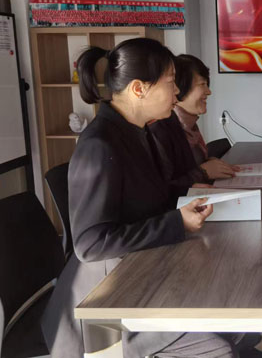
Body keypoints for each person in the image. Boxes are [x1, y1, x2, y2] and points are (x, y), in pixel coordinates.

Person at [41, 38, 239, 358]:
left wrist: (191, 194)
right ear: (138, 89)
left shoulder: (138, 131)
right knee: (217, 348)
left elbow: (150, 194)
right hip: (106, 310)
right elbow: (91, 244)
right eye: (171, 82)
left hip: (140, 276)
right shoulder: (100, 145)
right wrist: (176, 222)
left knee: (230, 312)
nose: (177, 92)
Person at [150, 54, 238, 191]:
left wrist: (210, 164)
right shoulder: (159, 130)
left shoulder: (189, 125)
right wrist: (203, 172)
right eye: (202, 84)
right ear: (179, 87)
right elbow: (161, 189)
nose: (208, 92)